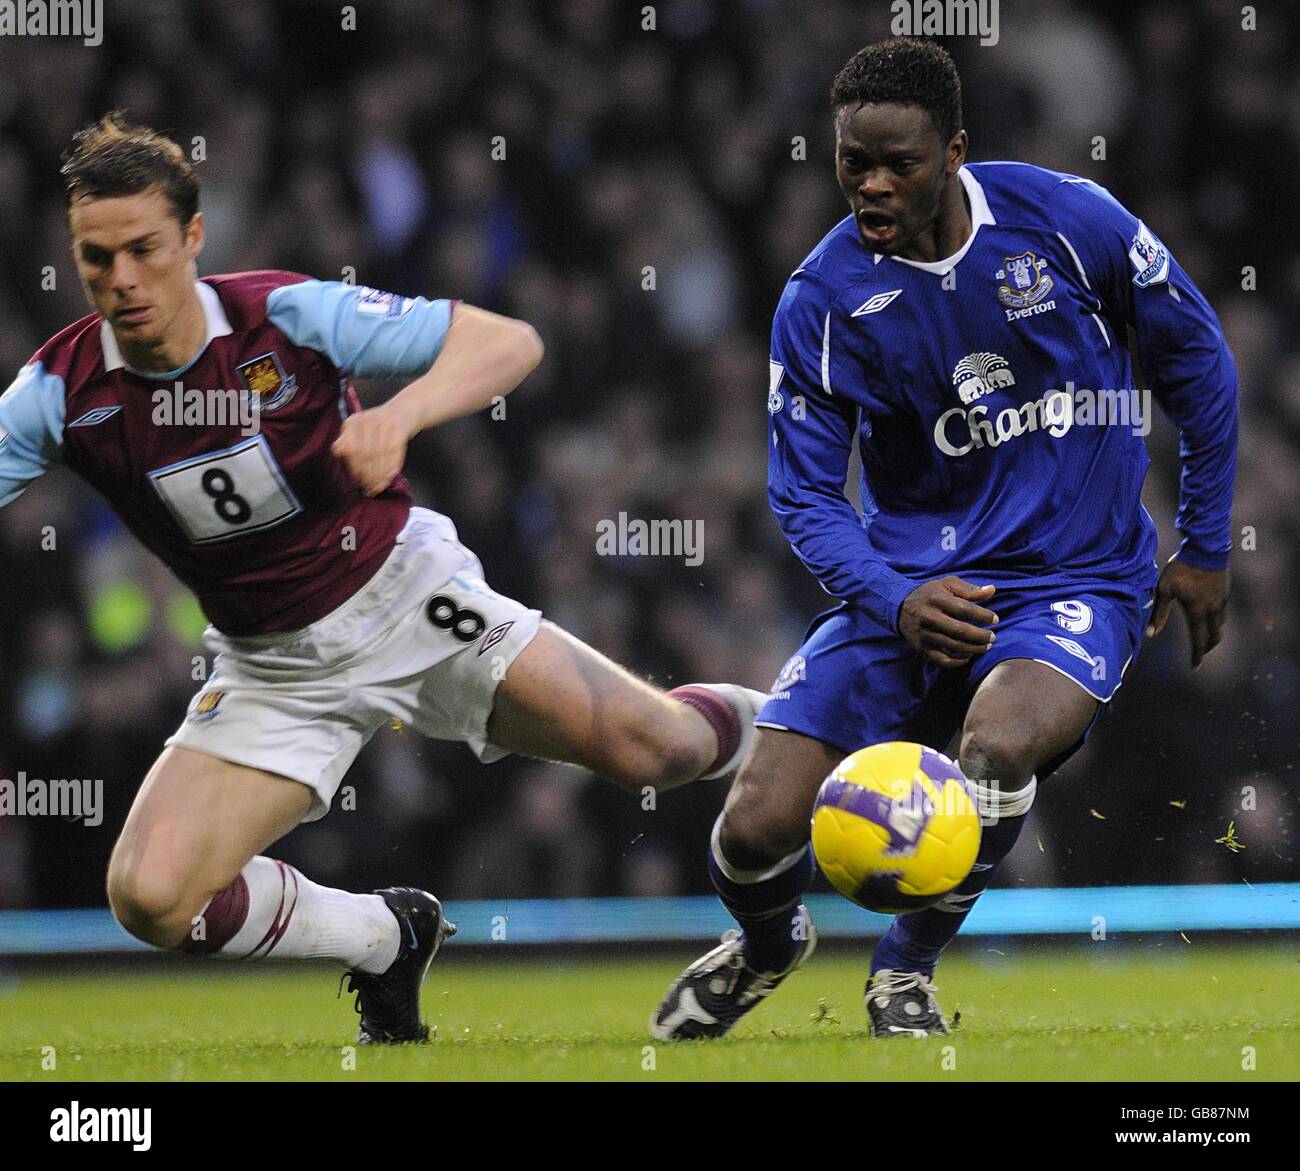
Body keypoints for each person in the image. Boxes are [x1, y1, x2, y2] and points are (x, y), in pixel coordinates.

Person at [0, 114, 765, 1043]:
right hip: (271, 665)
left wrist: (402, 417)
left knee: (665, 751)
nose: (121, 279)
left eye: (143, 250)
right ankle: (382, 935)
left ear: (193, 239)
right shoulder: (59, 391)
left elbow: (508, 344)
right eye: (95, 257)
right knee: (151, 898)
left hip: (408, 600)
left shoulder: (283, 317)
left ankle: (812, 724)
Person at [652, 38, 1237, 1041]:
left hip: (1077, 577)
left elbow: (1201, 367)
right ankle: (763, 945)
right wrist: (892, 597)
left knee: (998, 742)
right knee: (750, 831)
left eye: (899, 163)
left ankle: (903, 970)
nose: (871, 185)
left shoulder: (1069, 221)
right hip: (913, 587)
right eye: (851, 164)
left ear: (955, 151)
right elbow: (801, 497)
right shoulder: (822, 300)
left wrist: (1208, 546)